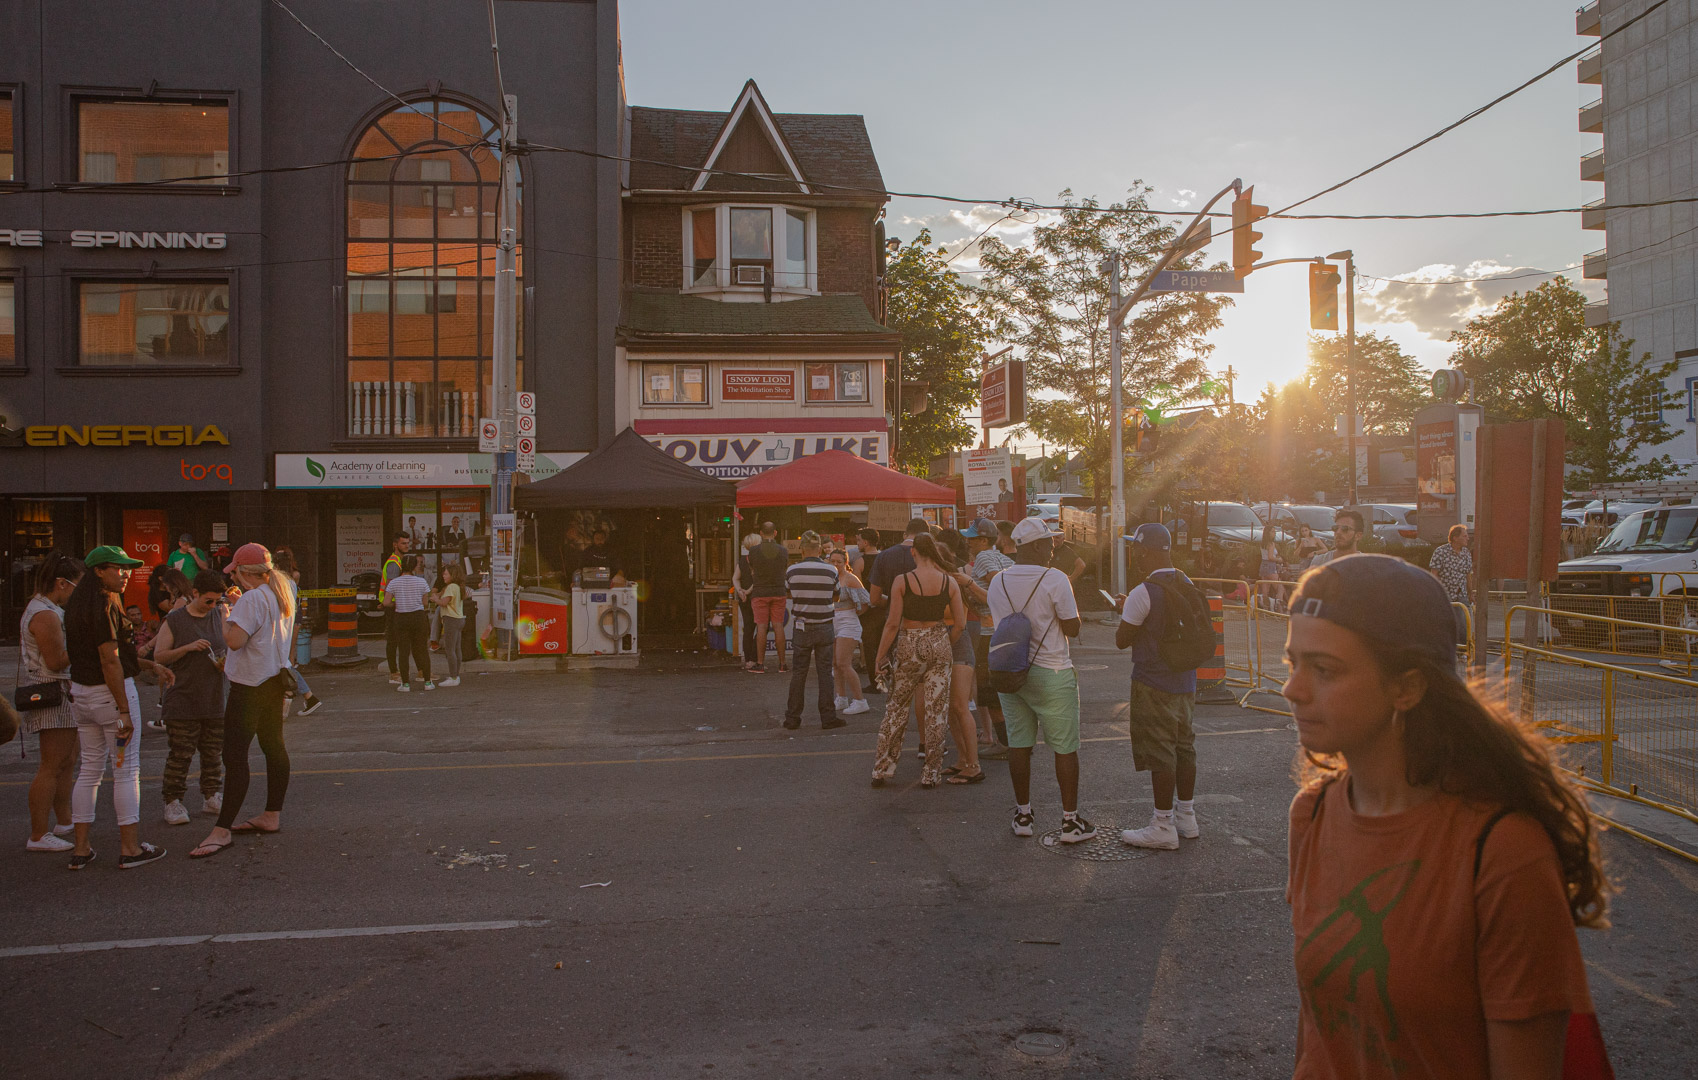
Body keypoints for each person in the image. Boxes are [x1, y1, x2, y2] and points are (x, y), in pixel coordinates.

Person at [1282, 554, 1608, 1078]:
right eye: (1291, 663)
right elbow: (1321, 1031)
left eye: (1324, 670)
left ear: (1407, 687)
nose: (1292, 689)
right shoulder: (1313, 814)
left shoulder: (1502, 852)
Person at [64, 545, 174, 869]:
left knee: (89, 770)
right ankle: (130, 849)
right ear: (99, 571)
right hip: (110, 697)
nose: (125, 574)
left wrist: (149, 666)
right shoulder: (105, 606)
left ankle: (81, 850)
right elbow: (109, 661)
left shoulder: (76, 606)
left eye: (127, 568)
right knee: (126, 770)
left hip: (82, 695)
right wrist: (123, 710)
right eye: (118, 568)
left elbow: (114, 658)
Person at [987, 518, 1095, 842]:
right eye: (1048, 543)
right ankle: (1070, 822)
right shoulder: (1056, 579)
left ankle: (1023, 816)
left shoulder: (998, 582)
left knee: (1018, 745)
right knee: (1064, 748)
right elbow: (1073, 627)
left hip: (1010, 673)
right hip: (1052, 672)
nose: (1052, 548)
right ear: (1035, 546)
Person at [190, 544, 298, 859]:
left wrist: (226, 613)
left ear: (245, 573)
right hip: (274, 680)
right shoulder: (285, 588)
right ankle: (271, 814)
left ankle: (221, 830)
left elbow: (235, 641)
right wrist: (241, 605)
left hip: (249, 684)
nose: (232, 576)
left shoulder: (251, 599)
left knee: (234, 756)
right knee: (273, 746)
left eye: (235, 571)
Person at [1115, 524, 1203, 850]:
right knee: (1184, 748)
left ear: (1144, 550)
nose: (1135, 556)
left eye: (1136, 550)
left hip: (1153, 683)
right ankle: (1187, 816)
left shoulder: (1143, 592)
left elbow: (1122, 640)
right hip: (1186, 681)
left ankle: (1162, 824)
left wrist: (1125, 611)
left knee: (1160, 752)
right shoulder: (1186, 582)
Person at [870, 532, 965, 787]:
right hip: (939, 641)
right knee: (937, 711)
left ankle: (883, 769)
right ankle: (931, 773)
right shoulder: (949, 582)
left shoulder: (903, 581)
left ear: (914, 552)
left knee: (897, 709)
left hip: (909, 642)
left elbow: (892, 624)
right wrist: (945, 643)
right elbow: (960, 624)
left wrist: (880, 656)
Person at [152, 570, 228, 826]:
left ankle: (211, 795)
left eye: (217, 601)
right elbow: (159, 656)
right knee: (181, 754)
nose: (213, 606)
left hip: (214, 697)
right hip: (183, 698)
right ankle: (172, 801)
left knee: (212, 752)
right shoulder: (174, 620)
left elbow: (228, 646)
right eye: (208, 600)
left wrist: (225, 662)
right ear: (194, 594)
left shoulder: (219, 614)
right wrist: (187, 648)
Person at [19, 552, 84, 852]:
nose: (77, 594)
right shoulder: (45, 614)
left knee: (67, 760)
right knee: (52, 764)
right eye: (76, 587)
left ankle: (64, 820)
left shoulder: (47, 609)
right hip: (51, 691)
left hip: (58, 691)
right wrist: (85, 644)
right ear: (61, 583)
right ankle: (38, 834)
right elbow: (56, 661)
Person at [781, 531, 844, 731]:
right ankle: (828, 717)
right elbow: (836, 597)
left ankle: (792, 718)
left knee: (799, 673)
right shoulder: (831, 570)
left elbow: (788, 593)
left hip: (802, 627)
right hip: (824, 625)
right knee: (825, 673)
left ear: (801, 550)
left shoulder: (792, 570)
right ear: (819, 549)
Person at [936, 529, 985, 785]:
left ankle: (974, 766)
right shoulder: (934, 581)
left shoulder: (953, 580)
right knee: (951, 710)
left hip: (958, 645)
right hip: (945, 645)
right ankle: (962, 760)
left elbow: (960, 622)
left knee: (959, 706)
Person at [969, 521, 1016, 759]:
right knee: (1005, 689)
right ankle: (1012, 740)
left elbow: (997, 589)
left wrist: (967, 584)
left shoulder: (984, 558)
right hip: (1005, 630)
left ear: (984, 540)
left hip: (989, 633)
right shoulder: (1007, 560)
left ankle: (1006, 743)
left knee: (989, 691)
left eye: (972, 538)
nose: (968, 542)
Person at [271, 547, 322, 715]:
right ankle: (304, 696)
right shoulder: (292, 582)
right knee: (285, 664)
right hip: (289, 624)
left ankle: (296, 696)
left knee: (284, 664)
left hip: (282, 627)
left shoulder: (279, 583)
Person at [827, 550, 871, 716]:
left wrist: (853, 614)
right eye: (833, 561)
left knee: (844, 663)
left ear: (846, 563)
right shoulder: (830, 578)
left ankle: (860, 700)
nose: (836, 565)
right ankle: (841, 697)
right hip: (833, 620)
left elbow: (866, 601)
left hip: (848, 621)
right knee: (835, 664)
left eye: (839, 561)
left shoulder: (851, 579)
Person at [385, 554, 434, 692]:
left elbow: (386, 602)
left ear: (401, 566)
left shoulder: (394, 582)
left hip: (401, 618)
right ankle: (427, 682)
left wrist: (397, 602)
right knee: (422, 649)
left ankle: (405, 684)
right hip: (418, 617)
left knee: (403, 651)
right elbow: (425, 602)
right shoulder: (421, 582)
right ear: (414, 566)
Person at [747, 522, 790, 674]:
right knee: (778, 626)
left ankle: (760, 663)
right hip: (778, 591)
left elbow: (751, 567)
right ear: (775, 533)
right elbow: (785, 566)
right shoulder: (783, 550)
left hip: (760, 592)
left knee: (761, 627)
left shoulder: (753, 551)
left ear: (761, 533)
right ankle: (783, 663)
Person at [1429, 523, 1475, 641]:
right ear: (1455, 537)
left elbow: (1468, 574)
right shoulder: (1441, 552)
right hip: (1445, 595)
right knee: (1446, 626)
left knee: (1465, 626)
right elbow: (1434, 574)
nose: (1468, 538)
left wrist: (1471, 593)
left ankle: (1465, 653)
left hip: (1461, 594)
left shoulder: (1466, 553)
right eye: (1464, 536)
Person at [852, 528, 883, 691]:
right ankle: (886, 680)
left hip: (869, 610)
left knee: (870, 647)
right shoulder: (885, 558)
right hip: (885, 607)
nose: (857, 544)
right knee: (884, 645)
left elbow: (857, 588)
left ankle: (875, 682)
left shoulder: (860, 561)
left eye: (858, 540)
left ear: (865, 542)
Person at [380, 532, 411, 685]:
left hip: (395, 605)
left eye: (407, 543)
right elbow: (391, 586)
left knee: (398, 639)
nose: (406, 546)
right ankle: (393, 672)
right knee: (393, 640)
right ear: (395, 544)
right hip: (393, 606)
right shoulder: (394, 563)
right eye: (403, 543)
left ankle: (397, 671)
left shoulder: (399, 561)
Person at [432, 563, 467, 687]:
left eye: (445, 574)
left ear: (453, 575)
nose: (443, 576)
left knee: (449, 649)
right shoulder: (457, 586)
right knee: (457, 648)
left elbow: (443, 602)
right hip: (459, 618)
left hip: (451, 619)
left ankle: (453, 677)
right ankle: (455, 675)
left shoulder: (451, 587)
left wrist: (435, 599)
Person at [732, 533, 762, 672]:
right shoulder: (760, 560)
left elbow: (735, 578)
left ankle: (748, 660)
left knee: (748, 627)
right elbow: (758, 580)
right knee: (762, 627)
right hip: (756, 597)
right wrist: (747, 592)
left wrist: (740, 591)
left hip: (744, 598)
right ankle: (755, 658)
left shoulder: (743, 559)